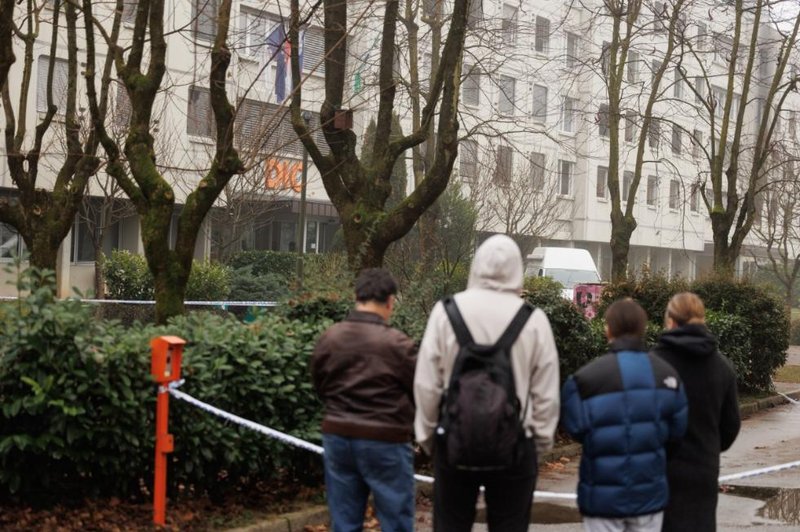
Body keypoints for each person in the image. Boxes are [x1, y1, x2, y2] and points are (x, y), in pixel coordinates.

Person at [414, 234, 560, 531]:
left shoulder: (446, 312)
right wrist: (539, 443)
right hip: (516, 445)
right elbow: (546, 393)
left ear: (475, 265)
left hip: (454, 441)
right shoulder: (533, 320)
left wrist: (429, 437)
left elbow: (426, 384)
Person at [561, 298, 688, 532]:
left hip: (601, 499)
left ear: (608, 329)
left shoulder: (584, 380)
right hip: (649, 494)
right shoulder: (668, 376)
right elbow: (676, 434)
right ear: (643, 328)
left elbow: (576, 429)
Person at [311, 268, 417, 532]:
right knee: (396, 521)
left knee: (344, 520)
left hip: (338, 436)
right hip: (387, 438)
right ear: (390, 301)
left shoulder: (329, 337)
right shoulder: (398, 344)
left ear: (356, 296)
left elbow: (320, 384)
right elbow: (420, 389)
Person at [652, 292, 741, 532]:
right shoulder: (722, 367)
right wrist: (709, 443)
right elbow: (731, 425)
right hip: (703, 467)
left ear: (670, 321)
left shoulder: (652, 364)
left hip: (658, 470)